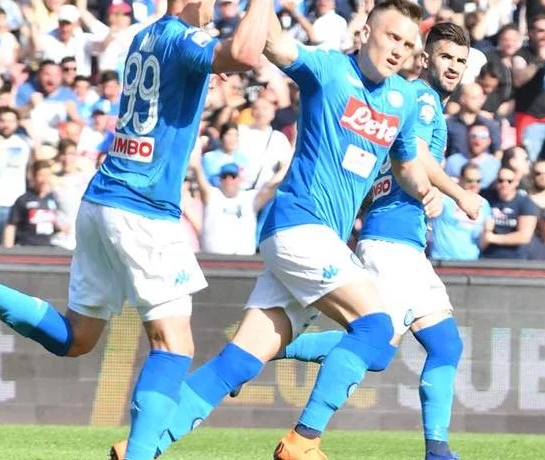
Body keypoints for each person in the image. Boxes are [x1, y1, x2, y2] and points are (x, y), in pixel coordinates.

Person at [0, 0, 274, 458]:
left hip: (101, 200)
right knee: (173, 345)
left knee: (78, 338)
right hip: (143, 209)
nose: (217, 8)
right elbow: (246, 53)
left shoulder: (146, 36)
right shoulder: (183, 37)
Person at [114, 2, 443, 459]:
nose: (398, 50)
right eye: (392, 37)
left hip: (316, 238)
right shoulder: (328, 69)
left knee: (238, 362)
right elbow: (272, 42)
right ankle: (303, 441)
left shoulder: (403, 99)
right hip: (300, 225)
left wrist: (427, 191)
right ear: (366, 32)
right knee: (375, 327)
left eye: (408, 44)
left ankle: (141, 446)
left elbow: (406, 165)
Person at [277, 22, 482, 460]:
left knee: (444, 345)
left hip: (406, 244)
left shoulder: (412, 101)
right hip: (391, 244)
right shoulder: (422, 99)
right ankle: (290, 399)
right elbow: (417, 156)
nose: (453, 67)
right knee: (374, 348)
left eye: (460, 61)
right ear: (425, 58)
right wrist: (457, 192)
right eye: (445, 57)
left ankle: (438, 451)